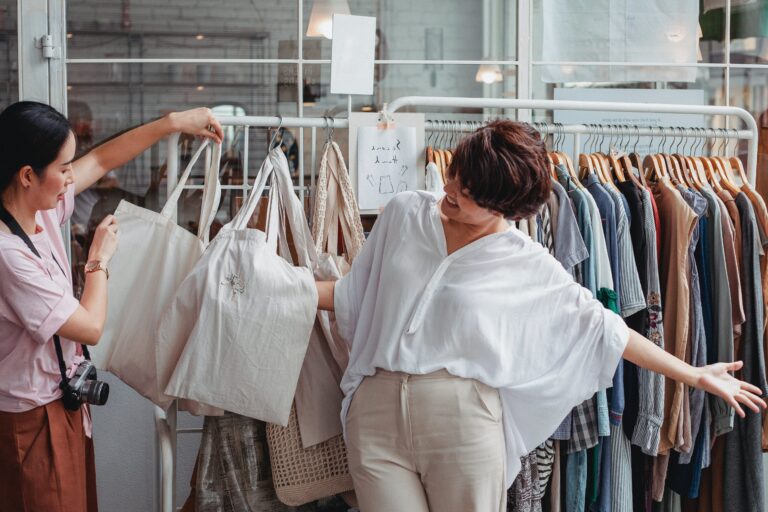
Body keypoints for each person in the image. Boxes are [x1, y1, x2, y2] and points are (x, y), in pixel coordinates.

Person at [315, 120, 766, 512]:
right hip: (376, 416)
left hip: (462, 422)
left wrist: (693, 375)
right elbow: (357, 294)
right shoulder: (404, 214)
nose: (450, 191)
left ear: (505, 209)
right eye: (455, 174)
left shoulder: (525, 261)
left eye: (468, 193)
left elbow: (605, 329)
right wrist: (274, 291)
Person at [0, 101, 223, 512]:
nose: (71, 177)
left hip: (61, 404)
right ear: (28, 175)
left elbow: (101, 158)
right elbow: (89, 327)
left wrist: (172, 124)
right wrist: (98, 259)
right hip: (32, 421)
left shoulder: (39, 213)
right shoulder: (8, 254)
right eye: (63, 168)